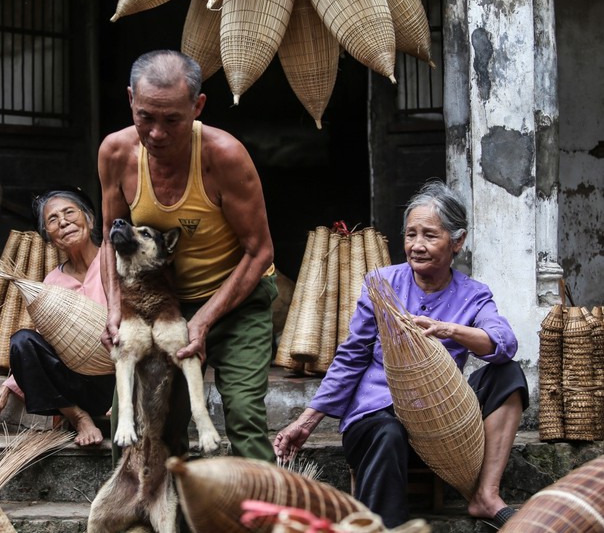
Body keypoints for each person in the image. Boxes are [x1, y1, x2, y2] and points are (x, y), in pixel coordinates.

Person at [273, 180, 528, 529]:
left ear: (458, 242)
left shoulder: (474, 295)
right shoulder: (381, 284)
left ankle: (486, 495)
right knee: (388, 431)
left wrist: (447, 329)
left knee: (508, 374)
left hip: (440, 425)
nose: (416, 246)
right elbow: (351, 357)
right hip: (377, 417)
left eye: (429, 235)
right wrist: (305, 423)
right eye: (411, 235)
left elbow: (503, 342)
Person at [98, 49, 278, 462]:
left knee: (244, 416)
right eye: (145, 117)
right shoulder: (116, 153)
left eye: (172, 120)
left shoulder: (224, 156)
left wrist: (205, 318)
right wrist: (114, 307)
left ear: (197, 107)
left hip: (238, 299)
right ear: (131, 100)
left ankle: (266, 521)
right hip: (161, 302)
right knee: (146, 422)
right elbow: (110, 238)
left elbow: (260, 250)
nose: (156, 133)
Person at [0, 188, 115, 446]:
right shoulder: (52, 282)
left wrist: (128, 395)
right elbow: (44, 346)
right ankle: (79, 418)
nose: (63, 222)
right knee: (22, 341)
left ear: (90, 220)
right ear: (48, 238)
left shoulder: (116, 261)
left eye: (70, 212)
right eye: (53, 220)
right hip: (79, 387)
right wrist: (9, 386)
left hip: (119, 378)